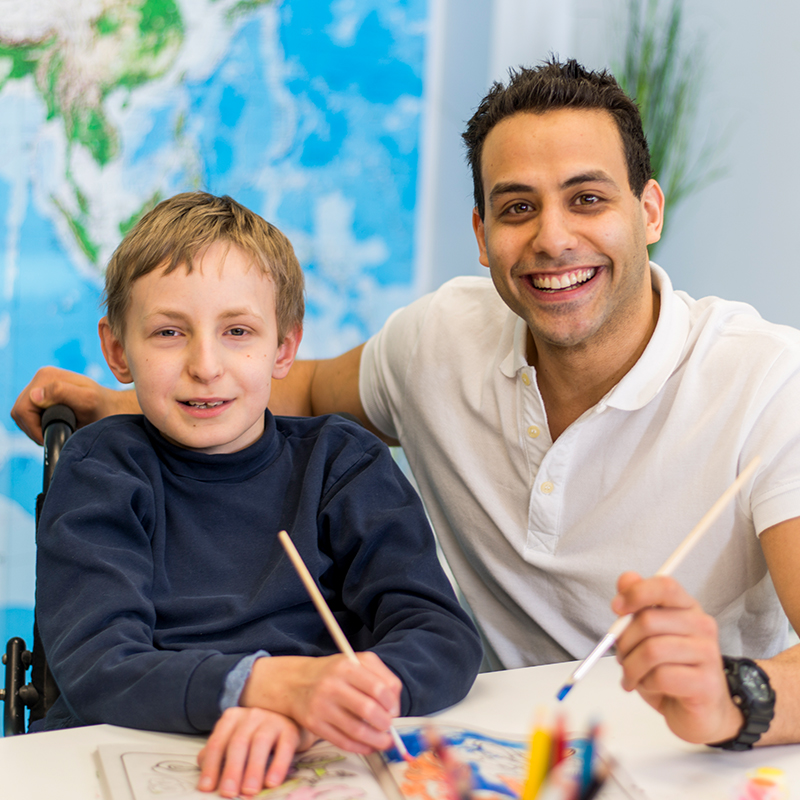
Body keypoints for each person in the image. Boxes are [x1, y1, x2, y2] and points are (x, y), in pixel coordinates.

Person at [14, 59, 800, 749]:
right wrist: (115, 404)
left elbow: (426, 628)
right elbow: (294, 384)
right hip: (480, 736)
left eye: (587, 199)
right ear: (482, 231)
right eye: (518, 206)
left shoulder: (769, 379)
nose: (554, 238)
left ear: (649, 210)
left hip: (693, 749)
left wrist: (735, 698)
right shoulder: (439, 338)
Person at [31, 192, 482, 798]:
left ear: (284, 348)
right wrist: (269, 686)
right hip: (130, 753)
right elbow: (99, 665)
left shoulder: (342, 463)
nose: (205, 365)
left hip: (310, 756)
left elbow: (441, 636)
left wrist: (329, 701)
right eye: (169, 332)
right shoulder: (101, 471)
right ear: (118, 350)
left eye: (238, 331)